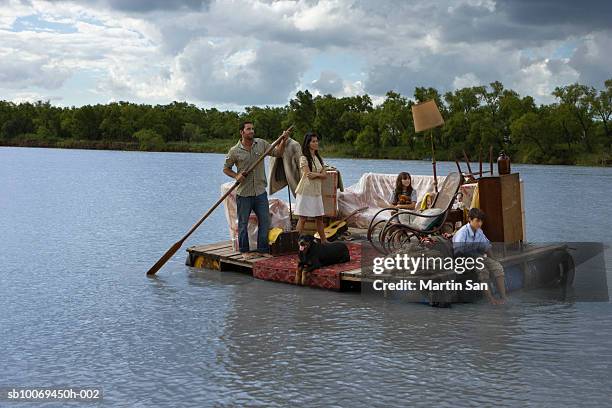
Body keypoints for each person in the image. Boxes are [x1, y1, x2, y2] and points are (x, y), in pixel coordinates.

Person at [223, 121, 289, 259]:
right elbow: (226, 168)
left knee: (264, 221)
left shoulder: (261, 144)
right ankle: (244, 251)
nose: (251, 131)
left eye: (252, 129)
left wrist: (283, 139)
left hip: (260, 192)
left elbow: (278, 153)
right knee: (243, 223)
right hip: (244, 193)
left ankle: (262, 249)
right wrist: (236, 175)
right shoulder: (234, 151)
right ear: (242, 132)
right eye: (248, 129)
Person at [452, 208, 507, 305]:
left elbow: (487, 246)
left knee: (497, 267)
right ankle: (490, 299)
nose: (480, 223)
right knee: (483, 270)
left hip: (477, 256)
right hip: (463, 258)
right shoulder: (462, 233)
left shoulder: (479, 232)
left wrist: (492, 260)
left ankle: (503, 297)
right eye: (477, 221)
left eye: (481, 221)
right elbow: (458, 251)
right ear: (470, 219)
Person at [295, 131, 327, 242]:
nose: (316, 143)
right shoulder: (303, 158)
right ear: (308, 143)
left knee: (319, 217)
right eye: (313, 141)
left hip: (316, 192)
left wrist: (317, 174)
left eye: (317, 141)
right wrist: (319, 175)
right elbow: (309, 175)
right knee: (303, 218)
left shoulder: (318, 158)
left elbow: (324, 175)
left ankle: (324, 241)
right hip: (306, 191)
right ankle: (295, 242)